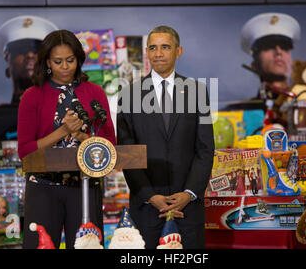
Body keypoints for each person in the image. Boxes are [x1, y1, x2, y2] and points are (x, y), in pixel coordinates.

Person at [116, 25, 214, 249]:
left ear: (178, 51)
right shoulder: (128, 94)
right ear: (147, 53)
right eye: (153, 48)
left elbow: (205, 149)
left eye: (165, 47)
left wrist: (188, 193)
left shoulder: (197, 91)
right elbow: (126, 153)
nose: (158, 53)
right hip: (148, 210)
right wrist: (151, 196)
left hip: (188, 209)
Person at [17, 29, 116, 249]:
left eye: (70, 60)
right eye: (58, 61)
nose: (65, 66)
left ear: (79, 60)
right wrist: (63, 130)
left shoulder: (95, 92)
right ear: (47, 62)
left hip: (85, 186)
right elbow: (25, 151)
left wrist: (82, 136)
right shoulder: (32, 95)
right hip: (42, 187)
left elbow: (109, 143)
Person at [0, 15, 58, 142]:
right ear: (8, 64)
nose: (30, 55)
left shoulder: (68, 117)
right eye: (21, 49)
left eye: (38, 50)